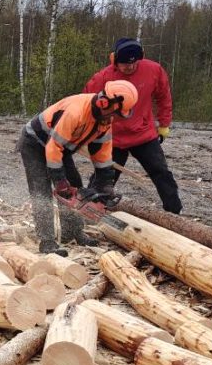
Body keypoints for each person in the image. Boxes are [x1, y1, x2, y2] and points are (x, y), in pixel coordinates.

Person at [18, 80, 138, 256]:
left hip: (60, 147)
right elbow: (52, 148)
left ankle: (71, 232)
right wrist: (59, 180)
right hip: (35, 143)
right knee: (41, 190)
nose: (116, 118)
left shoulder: (104, 121)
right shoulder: (76, 112)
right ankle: (47, 242)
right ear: (104, 103)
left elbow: (102, 154)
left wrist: (105, 183)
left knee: (74, 184)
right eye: (116, 113)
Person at [85, 38, 181, 213]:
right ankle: (90, 210)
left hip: (143, 134)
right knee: (104, 176)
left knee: (161, 173)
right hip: (114, 138)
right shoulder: (104, 77)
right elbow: (86, 101)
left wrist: (164, 124)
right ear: (114, 60)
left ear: (140, 57)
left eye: (133, 63)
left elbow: (164, 97)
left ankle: (175, 213)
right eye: (124, 64)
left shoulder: (153, 70)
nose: (129, 67)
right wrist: (87, 131)